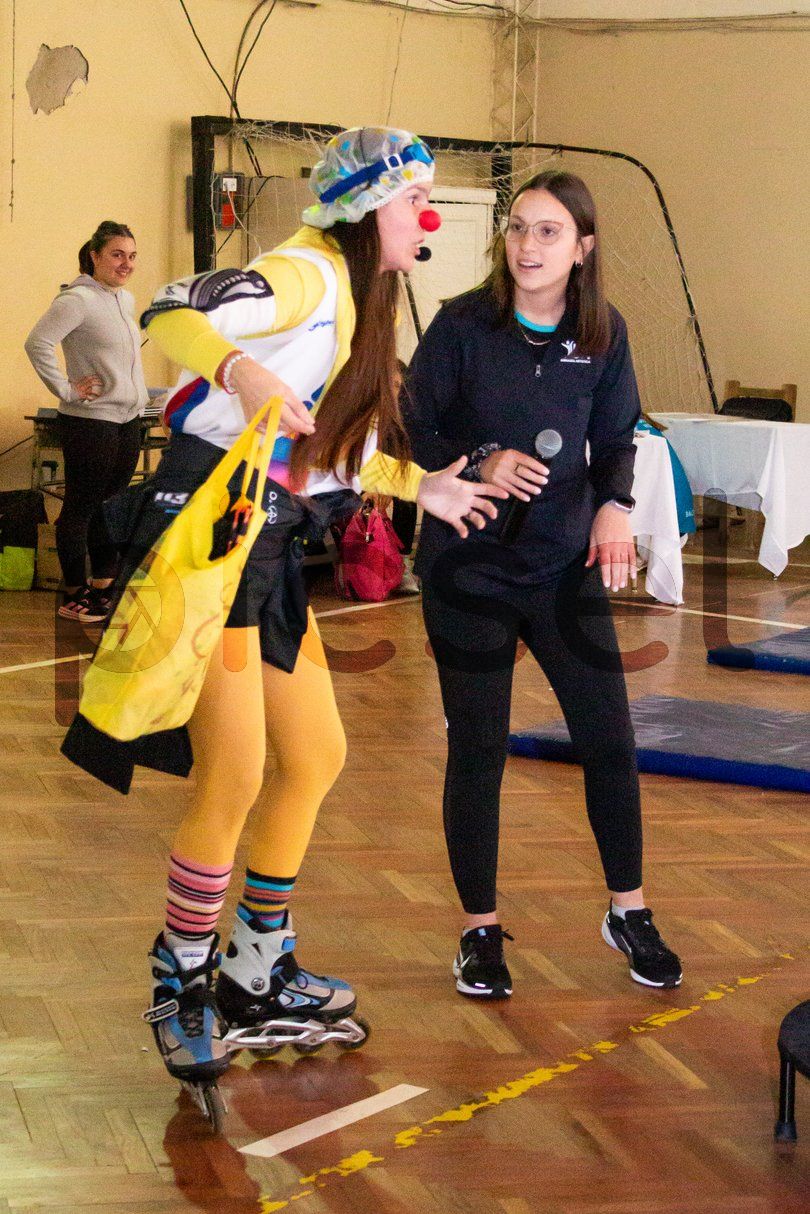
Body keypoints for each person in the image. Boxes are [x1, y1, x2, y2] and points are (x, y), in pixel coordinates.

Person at [62, 127, 504, 1099]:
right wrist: (238, 370)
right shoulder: (304, 274)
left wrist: (420, 485)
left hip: (262, 542)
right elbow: (172, 307)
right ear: (366, 206)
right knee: (236, 771)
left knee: (315, 756)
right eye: (413, 198)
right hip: (207, 541)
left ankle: (258, 963)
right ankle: (180, 979)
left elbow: (313, 452)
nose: (425, 218)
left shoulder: (351, 295)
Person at [404, 169, 683, 1001]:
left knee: (610, 741)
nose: (528, 245)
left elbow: (619, 436)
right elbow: (414, 424)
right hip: (468, 568)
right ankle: (479, 932)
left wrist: (615, 509)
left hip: (562, 569)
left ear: (582, 248)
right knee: (478, 749)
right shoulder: (461, 324)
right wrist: (482, 460)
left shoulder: (604, 332)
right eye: (519, 227)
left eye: (549, 231)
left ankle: (628, 910)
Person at [25, 221, 148, 622]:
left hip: (127, 419)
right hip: (90, 421)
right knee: (82, 506)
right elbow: (37, 343)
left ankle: (103, 587)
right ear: (94, 256)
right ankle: (75, 593)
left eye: (131, 256)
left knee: (110, 506)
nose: (126, 263)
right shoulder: (76, 299)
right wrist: (66, 388)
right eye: (117, 255)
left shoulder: (124, 299)